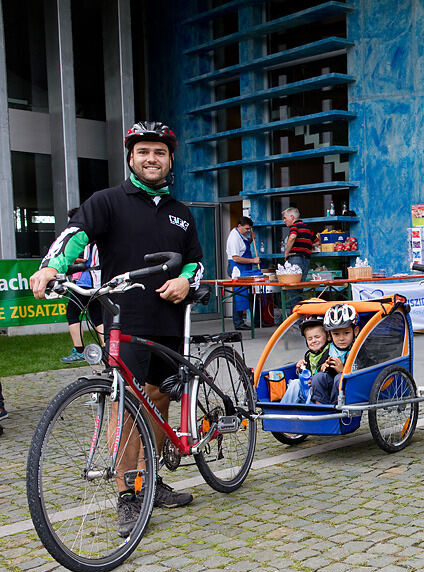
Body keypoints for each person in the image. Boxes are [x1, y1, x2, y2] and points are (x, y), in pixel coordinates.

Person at [30, 120, 204, 537]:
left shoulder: (182, 214)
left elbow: (196, 262)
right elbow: (75, 235)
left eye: (159, 153)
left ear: (170, 160)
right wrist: (52, 266)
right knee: (126, 406)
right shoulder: (108, 201)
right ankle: (129, 494)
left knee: (159, 402)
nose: (151, 159)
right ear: (131, 157)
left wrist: (185, 281)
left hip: (168, 322)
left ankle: (153, 481)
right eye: (143, 152)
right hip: (124, 321)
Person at [280, 306, 358, 406]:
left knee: (338, 378)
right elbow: (317, 372)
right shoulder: (325, 352)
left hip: (346, 388)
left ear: (355, 331)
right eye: (336, 334)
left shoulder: (357, 349)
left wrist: (342, 371)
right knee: (311, 379)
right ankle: (285, 410)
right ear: (330, 335)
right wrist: (308, 369)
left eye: (346, 333)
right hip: (319, 387)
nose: (341, 338)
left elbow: (361, 371)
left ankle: (331, 411)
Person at [60, 207, 104, 363]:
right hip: (97, 282)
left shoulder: (85, 236)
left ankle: (78, 349)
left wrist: (71, 259)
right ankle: (106, 349)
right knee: (97, 316)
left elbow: (83, 259)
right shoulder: (100, 234)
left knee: (72, 313)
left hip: (86, 281)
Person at [226, 216, 262, 330]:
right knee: (239, 295)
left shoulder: (242, 235)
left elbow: (243, 249)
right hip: (237, 268)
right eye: (246, 229)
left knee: (251, 293)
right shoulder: (234, 237)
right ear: (239, 226)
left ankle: (256, 320)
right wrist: (253, 261)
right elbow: (236, 258)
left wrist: (251, 240)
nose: (248, 231)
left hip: (246, 268)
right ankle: (238, 322)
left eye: (249, 229)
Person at [282, 207, 315, 280]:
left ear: (292, 217)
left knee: (292, 285)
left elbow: (292, 237)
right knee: (300, 285)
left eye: (285, 218)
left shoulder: (294, 226)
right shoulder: (307, 228)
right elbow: (317, 241)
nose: (284, 220)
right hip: (306, 260)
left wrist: (286, 253)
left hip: (295, 258)